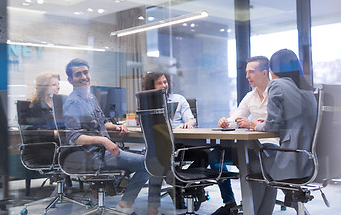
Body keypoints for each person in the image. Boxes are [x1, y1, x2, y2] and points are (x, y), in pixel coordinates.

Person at [63, 58, 160, 215]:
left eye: (85, 72)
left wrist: (115, 126)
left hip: (102, 152)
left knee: (148, 159)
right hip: (91, 155)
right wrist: (103, 140)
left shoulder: (91, 98)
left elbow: (102, 122)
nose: (83, 77)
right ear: (70, 80)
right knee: (148, 163)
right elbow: (74, 137)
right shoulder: (73, 102)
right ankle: (125, 204)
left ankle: (126, 202)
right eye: (78, 74)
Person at [250, 49, 316, 214]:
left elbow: (272, 126)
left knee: (250, 165)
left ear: (272, 70)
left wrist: (255, 126)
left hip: (291, 160)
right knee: (263, 165)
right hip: (309, 160)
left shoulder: (277, 84)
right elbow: (291, 119)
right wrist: (266, 122)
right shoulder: (307, 89)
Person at [211, 56, 279, 215]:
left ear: (264, 73)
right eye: (246, 72)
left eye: (251, 72)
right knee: (216, 156)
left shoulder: (277, 93)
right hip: (251, 146)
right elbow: (237, 117)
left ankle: (254, 208)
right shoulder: (250, 96)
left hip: (272, 146)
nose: (247, 76)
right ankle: (230, 202)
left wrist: (252, 124)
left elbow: (277, 123)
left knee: (253, 164)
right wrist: (226, 122)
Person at [142, 73, 207, 210]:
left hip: (180, 144)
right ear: (152, 86)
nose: (164, 85)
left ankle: (189, 188)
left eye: (165, 82)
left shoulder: (178, 99)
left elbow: (191, 119)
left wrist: (189, 123)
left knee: (203, 155)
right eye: (160, 83)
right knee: (158, 160)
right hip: (160, 145)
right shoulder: (147, 103)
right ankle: (154, 206)